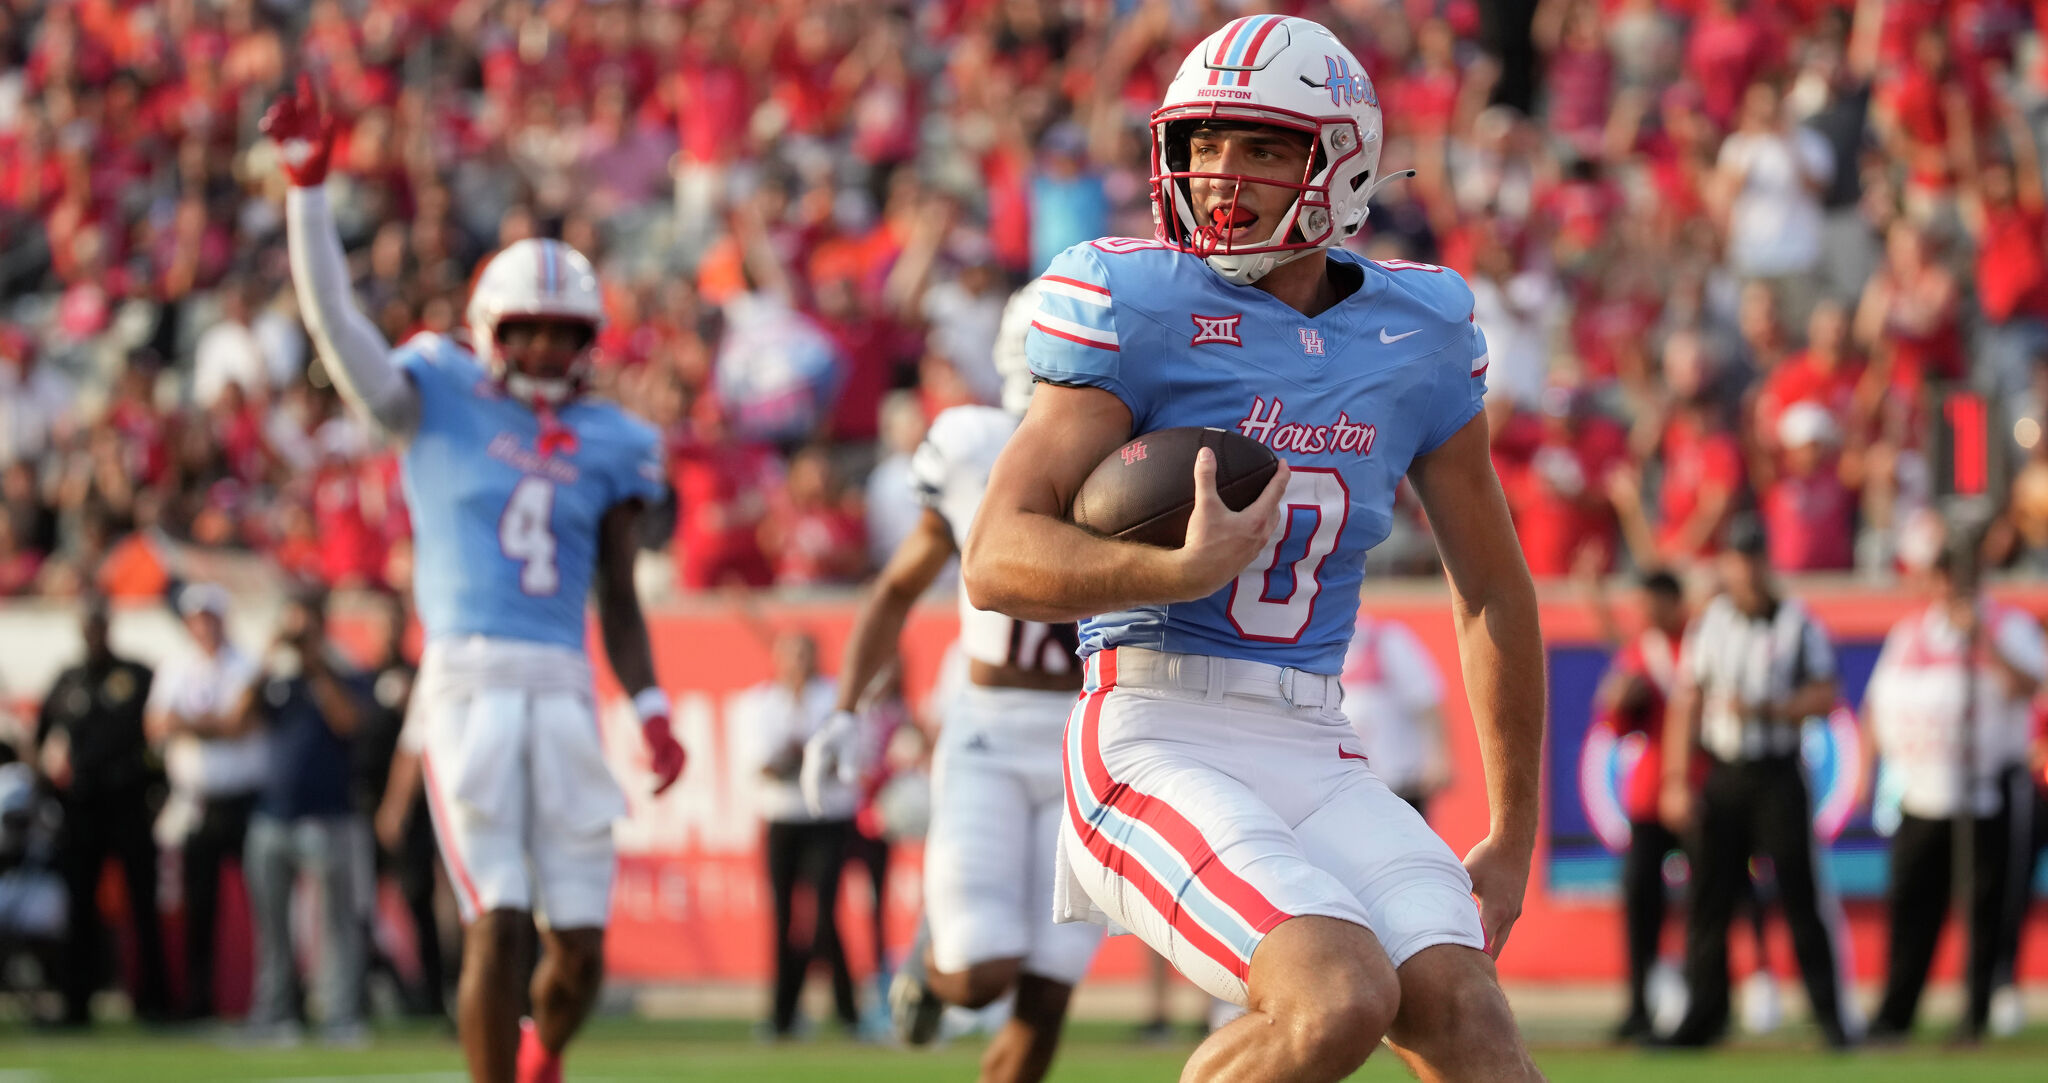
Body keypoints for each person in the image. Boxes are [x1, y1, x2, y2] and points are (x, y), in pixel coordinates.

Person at [961, 17, 1546, 1082]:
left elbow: (1492, 589)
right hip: (1149, 730)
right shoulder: (1133, 301)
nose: (1218, 174)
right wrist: (1172, 572)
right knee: (1338, 995)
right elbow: (995, 557)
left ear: (1343, 163)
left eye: (1262, 148)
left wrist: (1511, 828)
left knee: (1469, 1019)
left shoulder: (1418, 328)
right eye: (1201, 144)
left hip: (1317, 743)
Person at [265, 79, 685, 1083]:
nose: (543, 347)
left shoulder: (617, 439)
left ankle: (539, 1058)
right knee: (494, 920)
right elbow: (339, 334)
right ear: (490, 328)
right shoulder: (438, 391)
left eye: (562, 332)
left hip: (562, 686)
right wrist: (308, 192)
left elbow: (618, 595)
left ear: (588, 340)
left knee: (580, 949)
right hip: (462, 685)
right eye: (526, 329)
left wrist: (654, 704)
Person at [802, 282, 1104, 1082]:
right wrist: (843, 709)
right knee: (980, 974)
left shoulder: (1145, 453)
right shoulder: (975, 449)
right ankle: (930, 962)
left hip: (1090, 740)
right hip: (991, 730)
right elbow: (896, 587)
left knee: (1047, 994)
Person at [1658, 516, 1856, 1048]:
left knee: (1800, 893)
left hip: (1777, 771)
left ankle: (1832, 1016)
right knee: (1708, 896)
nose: (1745, 570)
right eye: (1736, 559)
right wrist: (1676, 778)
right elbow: (1688, 700)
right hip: (1724, 771)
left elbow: (1825, 695)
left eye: (1752, 558)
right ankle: (1704, 1016)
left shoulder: (1797, 623)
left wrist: (1770, 709)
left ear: (1766, 562)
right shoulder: (1711, 623)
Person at [1862, 544, 2043, 1043]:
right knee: (1912, 904)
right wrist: (1868, 776)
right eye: (1939, 576)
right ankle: (1896, 1013)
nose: (1946, 586)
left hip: (1988, 788)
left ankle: (1976, 1012)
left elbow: (2029, 686)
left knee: (1987, 905)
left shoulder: (2008, 626)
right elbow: (1877, 705)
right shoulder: (1910, 633)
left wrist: (1981, 640)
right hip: (1923, 788)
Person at [234, 588, 374, 1045]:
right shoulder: (275, 677)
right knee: (272, 927)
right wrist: (268, 655)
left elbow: (349, 723)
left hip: (328, 814)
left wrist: (317, 666)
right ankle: (275, 1014)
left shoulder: (341, 669)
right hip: (272, 814)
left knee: (336, 925)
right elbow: (239, 721)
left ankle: (340, 1016)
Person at [33, 597, 172, 1025]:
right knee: (79, 906)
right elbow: (42, 738)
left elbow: (159, 732)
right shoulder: (68, 680)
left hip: (129, 800)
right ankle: (77, 1000)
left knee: (143, 904)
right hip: (83, 805)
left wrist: (159, 791)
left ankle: (153, 1000)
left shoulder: (135, 675)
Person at [144, 581, 263, 1021]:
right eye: (196, 619)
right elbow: (156, 724)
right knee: (198, 907)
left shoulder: (246, 664)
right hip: (196, 802)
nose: (203, 627)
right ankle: (197, 1000)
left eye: (209, 617)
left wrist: (189, 724)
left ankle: (271, 999)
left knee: (264, 905)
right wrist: (211, 725)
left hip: (246, 799)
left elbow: (239, 725)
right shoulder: (176, 666)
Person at [735, 630, 859, 1039]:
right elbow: (762, 764)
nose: (798, 664)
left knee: (825, 914)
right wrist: (804, 757)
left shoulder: (834, 699)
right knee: (784, 918)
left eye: (804, 654)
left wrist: (801, 757)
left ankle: (848, 1012)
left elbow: (843, 761)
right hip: (783, 818)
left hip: (827, 817)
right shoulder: (761, 703)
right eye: (790, 655)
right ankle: (783, 1016)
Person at [1339, 613, 1450, 820]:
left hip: (1401, 786)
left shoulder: (1387, 639)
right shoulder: (1319, 651)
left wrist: (1438, 759)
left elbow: (1426, 702)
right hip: (1347, 789)